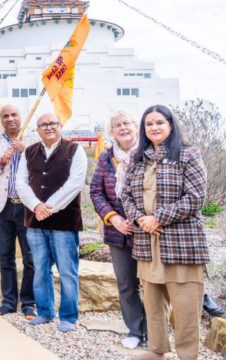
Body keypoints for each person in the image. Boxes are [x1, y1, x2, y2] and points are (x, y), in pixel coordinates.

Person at [121, 105, 209, 360]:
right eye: (149, 124)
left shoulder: (188, 154)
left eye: (160, 122)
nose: (154, 128)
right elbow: (125, 195)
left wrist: (158, 217)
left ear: (170, 125)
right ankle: (157, 351)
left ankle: (188, 355)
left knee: (185, 307)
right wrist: (140, 219)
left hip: (181, 243)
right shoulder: (138, 157)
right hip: (147, 242)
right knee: (153, 302)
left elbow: (196, 198)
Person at [15, 112, 87, 333]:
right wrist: (37, 206)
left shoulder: (75, 150)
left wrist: (50, 206)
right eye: (43, 125)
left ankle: (68, 316)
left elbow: (75, 183)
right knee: (40, 269)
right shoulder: (29, 151)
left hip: (64, 221)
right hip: (35, 221)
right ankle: (45, 312)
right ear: (37, 130)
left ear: (60, 126)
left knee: (67, 270)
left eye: (52, 123)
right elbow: (21, 182)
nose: (48, 127)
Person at [89, 111, 146, 349]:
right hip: (117, 232)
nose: (122, 128)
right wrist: (113, 219)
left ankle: (156, 331)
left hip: (146, 229)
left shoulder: (148, 153)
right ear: (112, 132)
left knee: (153, 284)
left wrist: (138, 218)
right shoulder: (106, 157)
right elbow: (96, 191)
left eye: (126, 123)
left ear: (135, 126)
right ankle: (136, 330)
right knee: (126, 283)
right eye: (116, 125)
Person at [0, 105, 39, 319]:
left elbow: (42, 167)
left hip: (26, 207)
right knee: (5, 257)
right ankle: (8, 302)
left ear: (21, 116)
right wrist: (1, 161)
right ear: (1, 120)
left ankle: (29, 303)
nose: (10, 119)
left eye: (14, 114)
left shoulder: (33, 139)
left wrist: (26, 151)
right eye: (5, 116)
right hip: (2, 206)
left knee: (30, 258)